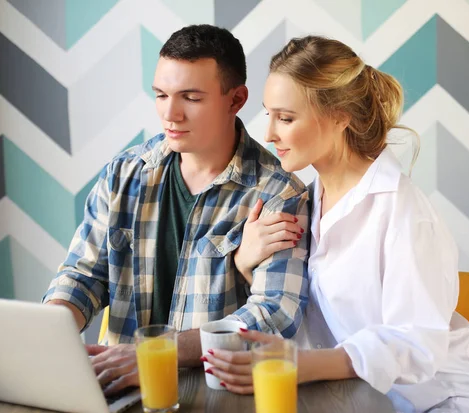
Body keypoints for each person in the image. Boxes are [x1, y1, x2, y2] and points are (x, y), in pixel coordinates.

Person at [203, 35, 469, 413]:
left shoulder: (403, 211)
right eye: (270, 114)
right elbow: (304, 314)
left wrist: (301, 365)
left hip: (438, 402)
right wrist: (247, 264)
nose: (269, 134)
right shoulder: (301, 203)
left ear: (340, 116)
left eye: (287, 117)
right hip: (352, 400)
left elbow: (417, 343)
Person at [42, 25, 310, 396]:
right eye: (161, 95)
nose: (171, 114)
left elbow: (273, 315)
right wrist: (49, 331)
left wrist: (156, 354)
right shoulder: (124, 174)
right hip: (117, 386)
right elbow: (84, 274)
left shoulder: (279, 194)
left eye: (191, 97)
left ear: (236, 100)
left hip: (212, 394)